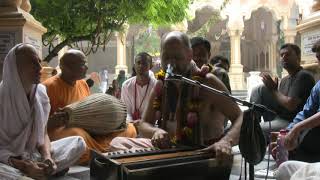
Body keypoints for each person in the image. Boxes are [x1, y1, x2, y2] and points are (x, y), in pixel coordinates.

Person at [111, 31, 243, 163]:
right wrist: (155, 132)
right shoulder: (161, 84)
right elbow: (145, 123)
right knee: (117, 143)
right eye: (166, 57)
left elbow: (241, 116)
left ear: (189, 55)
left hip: (202, 154)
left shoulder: (207, 82)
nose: (171, 63)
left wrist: (226, 142)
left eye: (177, 57)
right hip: (169, 151)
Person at [0, 44, 86, 179]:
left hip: (34, 155)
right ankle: (31, 173)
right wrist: (24, 165)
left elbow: (43, 134)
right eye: (33, 63)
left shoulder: (41, 92)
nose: (40, 68)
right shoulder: (2, 96)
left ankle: (40, 171)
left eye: (39, 61)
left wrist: (47, 157)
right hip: (8, 161)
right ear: (16, 68)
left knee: (78, 143)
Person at [42, 49, 137, 164]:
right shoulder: (47, 87)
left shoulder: (82, 84)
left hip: (90, 131)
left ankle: (97, 154)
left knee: (129, 128)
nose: (86, 67)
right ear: (65, 67)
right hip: (66, 132)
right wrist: (53, 122)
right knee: (76, 135)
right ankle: (104, 152)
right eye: (82, 64)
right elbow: (37, 126)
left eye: (86, 63)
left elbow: (90, 112)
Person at [275, 40, 320, 180]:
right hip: (302, 129)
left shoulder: (304, 76)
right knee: (284, 169)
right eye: (319, 58)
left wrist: (296, 130)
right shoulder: (318, 86)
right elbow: (305, 112)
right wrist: (286, 134)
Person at [250, 43, 315, 135]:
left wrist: (274, 90)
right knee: (260, 89)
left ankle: (253, 129)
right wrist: (271, 90)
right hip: (278, 116)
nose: (284, 57)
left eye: (287, 54)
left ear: (298, 57)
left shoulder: (303, 76)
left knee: (254, 129)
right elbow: (280, 105)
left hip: (292, 121)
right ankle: (252, 120)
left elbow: (291, 105)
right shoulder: (284, 80)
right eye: (281, 55)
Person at [121, 52, 157, 123]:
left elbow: (157, 113)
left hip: (151, 125)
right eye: (138, 63)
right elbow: (126, 111)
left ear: (151, 66)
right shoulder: (126, 85)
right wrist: (132, 123)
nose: (141, 66)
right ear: (134, 66)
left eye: (144, 63)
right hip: (132, 125)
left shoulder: (156, 85)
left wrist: (144, 124)